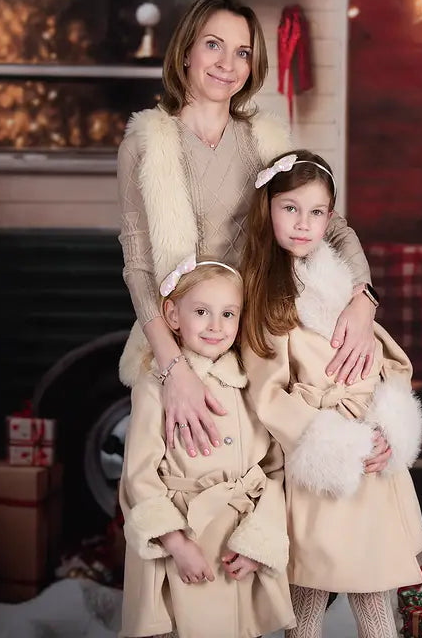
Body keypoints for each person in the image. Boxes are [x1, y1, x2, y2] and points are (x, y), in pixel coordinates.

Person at [116, 0, 386, 463]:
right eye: (214, 45)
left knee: (278, 478)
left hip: (263, 330)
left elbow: (331, 224)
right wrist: (174, 369)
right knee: (188, 481)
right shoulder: (144, 145)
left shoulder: (264, 140)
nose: (228, 64)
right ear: (186, 52)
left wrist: (364, 300)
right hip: (186, 338)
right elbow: (138, 268)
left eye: (242, 52)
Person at [240, 150, 422, 638]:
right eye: (290, 208)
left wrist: (386, 430)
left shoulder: (343, 284)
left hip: (368, 448)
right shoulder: (265, 294)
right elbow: (268, 394)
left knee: (372, 588)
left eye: (317, 212)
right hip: (321, 454)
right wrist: (338, 441)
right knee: (310, 588)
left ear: (331, 217)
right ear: (269, 209)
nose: (304, 224)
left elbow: (385, 361)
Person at [119, 257, 294, 638]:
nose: (216, 326)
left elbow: (274, 472)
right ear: (173, 314)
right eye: (201, 311)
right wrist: (175, 542)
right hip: (183, 539)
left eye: (229, 314)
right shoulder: (155, 386)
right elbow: (138, 475)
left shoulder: (250, 384)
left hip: (236, 537)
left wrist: (257, 542)